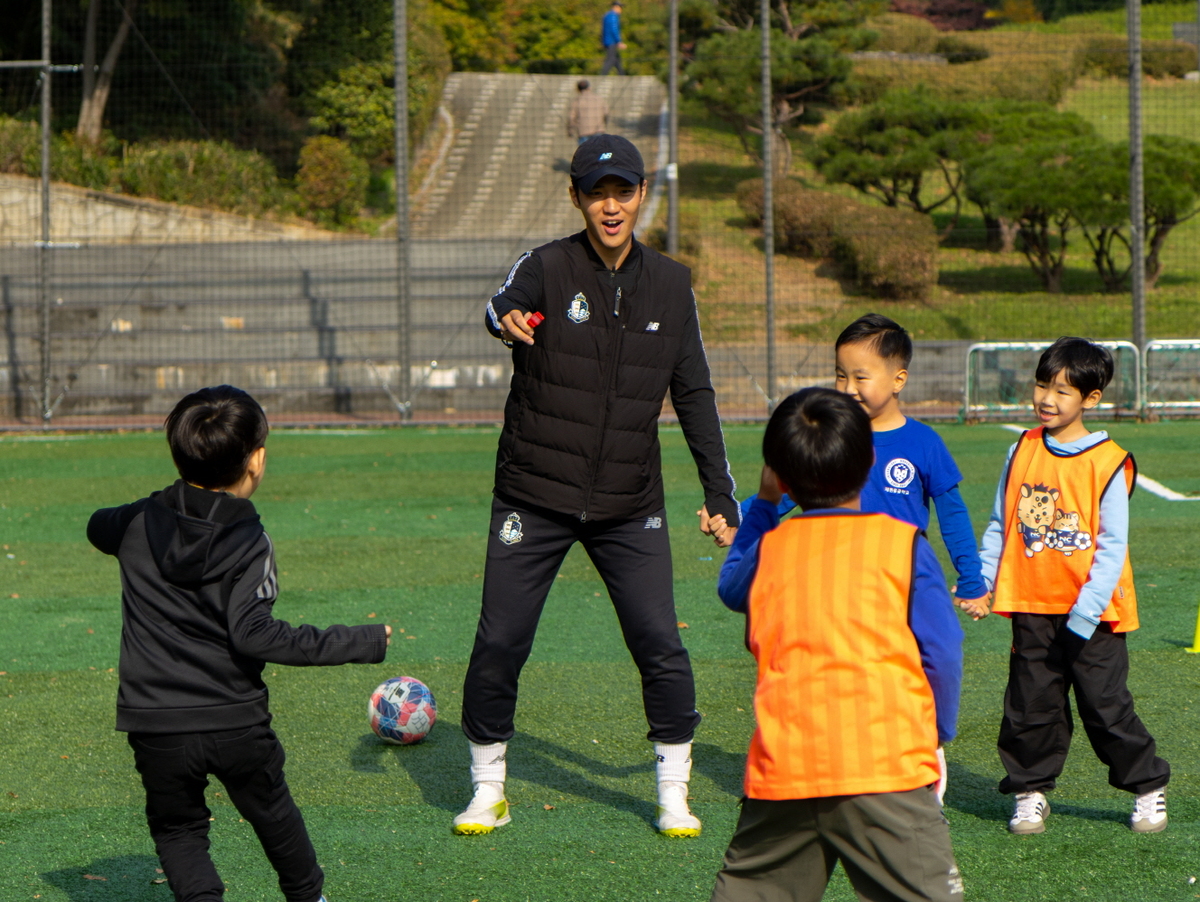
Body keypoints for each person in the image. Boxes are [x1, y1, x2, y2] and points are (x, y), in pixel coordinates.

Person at [457, 134, 740, 839]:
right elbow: (501, 305)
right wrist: (507, 321)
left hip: (628, 503)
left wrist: (719, 490)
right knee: (501, 640)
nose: (610, 205)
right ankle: (488, 786)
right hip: (533, 493)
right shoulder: (547, 267)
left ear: (642, 195)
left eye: (622, 191)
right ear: (576, 197)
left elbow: (695, 393)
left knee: (658, 642)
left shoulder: (672, 285)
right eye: (596, 191)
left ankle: (673, 790)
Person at [87, 385, 391, 902]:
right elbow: (255, 634)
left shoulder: (138, 520)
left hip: (155, 721)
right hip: (234, 719)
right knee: (273, 814)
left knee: (180, 831)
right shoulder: (250, 541)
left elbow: (98, 526)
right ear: (256, 460)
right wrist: (358, 640)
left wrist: (145, 515)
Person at [712, 388, 964, 902]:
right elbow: (941, 651)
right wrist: (937, 734)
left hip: (785, 770)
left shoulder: (769, 550)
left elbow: (730, 586)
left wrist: (762, 505)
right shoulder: (902, 544)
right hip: (886, 768)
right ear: (870, 459)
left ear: (780, 476)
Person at [977, 337, 1170, 835]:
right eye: (1043, 385)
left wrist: (1084, 613)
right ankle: (1030, 791)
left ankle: (1148, 786)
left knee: (1105, 707)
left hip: (1094, 615)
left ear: (1091, 399)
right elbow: (1002, 523)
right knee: (1029, 706)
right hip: (1030, 605)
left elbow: (1112, 547)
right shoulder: (1021, 448)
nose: (1047, 398)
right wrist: (982, 579)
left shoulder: (1108, 461)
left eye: (1062, 391)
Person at [737, 314, 990, 619]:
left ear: (899, 379)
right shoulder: (831, 437)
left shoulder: (924, 442)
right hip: (834, 580)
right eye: (840, 375)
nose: (847, 389)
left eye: (860, 377)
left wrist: (972, 581)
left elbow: (953, 515)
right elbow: (793, 490)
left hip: (901, 585)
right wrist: (736, 515)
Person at [568, 78, 609, 144]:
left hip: (583, 132)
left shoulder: (577, 101)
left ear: (578, 89)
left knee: (585, 153)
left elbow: (571, 117)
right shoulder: (599, 99)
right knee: (598, 152)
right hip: (598, 131)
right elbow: (606, 113)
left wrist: (570, 130)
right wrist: (604, 125)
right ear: (589, 87)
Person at [601, 1, 626, 75]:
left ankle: (622, 75)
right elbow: (614, 29)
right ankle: (602, 76)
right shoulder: (613, 16)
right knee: (611, 59)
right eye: (620, 7)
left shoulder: (607, 15)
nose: (621, 10)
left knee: (616, 59)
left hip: (608, 41)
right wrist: (618, 41)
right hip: (611, 41)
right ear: (615, 7)